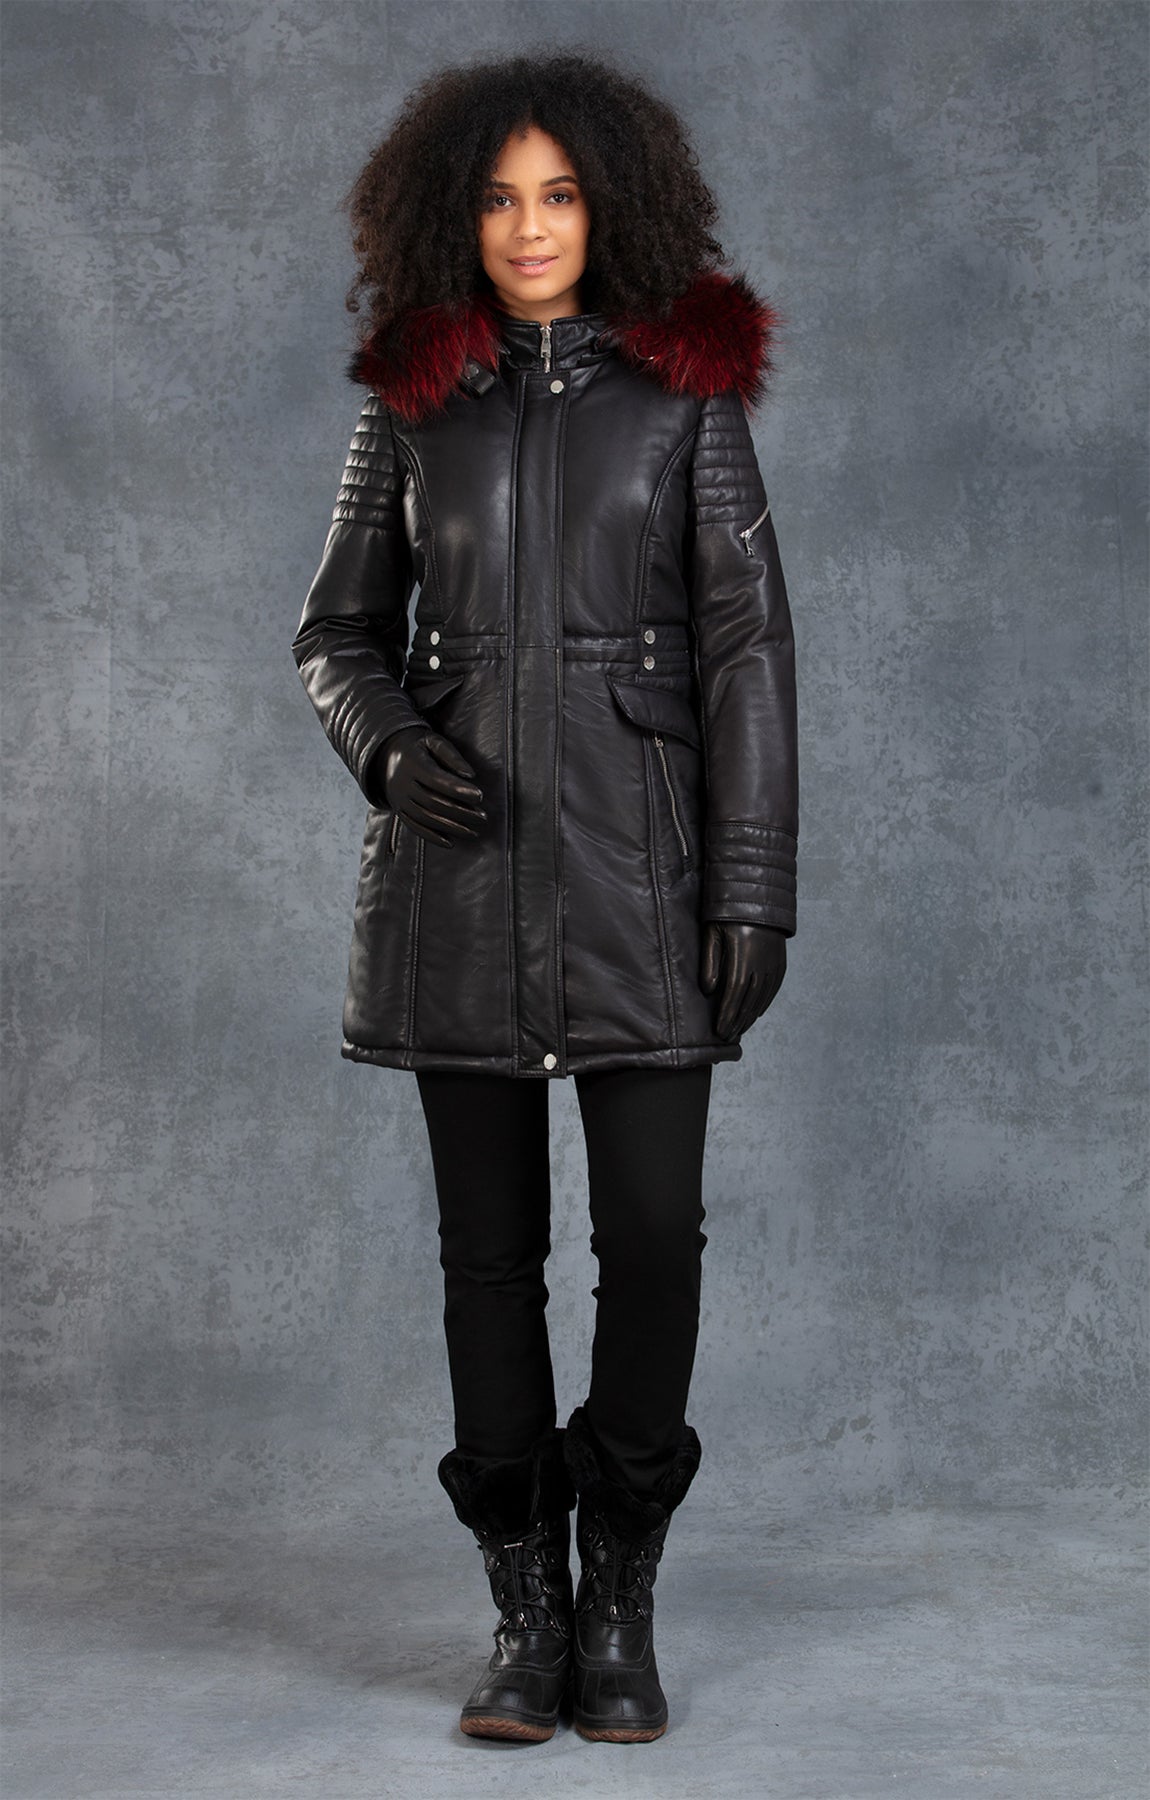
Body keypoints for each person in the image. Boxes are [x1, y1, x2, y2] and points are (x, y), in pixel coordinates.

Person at [290, 49, 799, 1746]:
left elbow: (745, 649)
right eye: (500, 198)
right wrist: (382, 744)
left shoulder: (684, 401)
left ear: (611, 209)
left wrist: (752, 886)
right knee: (486, 1259)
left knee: (650, 1238)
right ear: (454, 214)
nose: (528, 228)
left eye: (560, 194)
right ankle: (523, 1607)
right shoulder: (410, 405)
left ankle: (620, 1589)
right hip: (456, 893)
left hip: (643, 883)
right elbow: (333, 632)